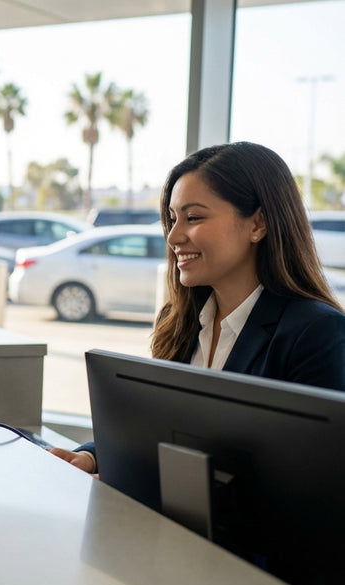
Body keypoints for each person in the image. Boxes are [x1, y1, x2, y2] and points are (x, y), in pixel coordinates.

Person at [51, 141, 345, 475]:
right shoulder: (179, 321)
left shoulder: (316, 334)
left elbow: (315, 481)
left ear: (258, 224)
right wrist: (93, 455)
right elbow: (157, 423)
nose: (174, 236)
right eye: (172, 219)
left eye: (193, 217)